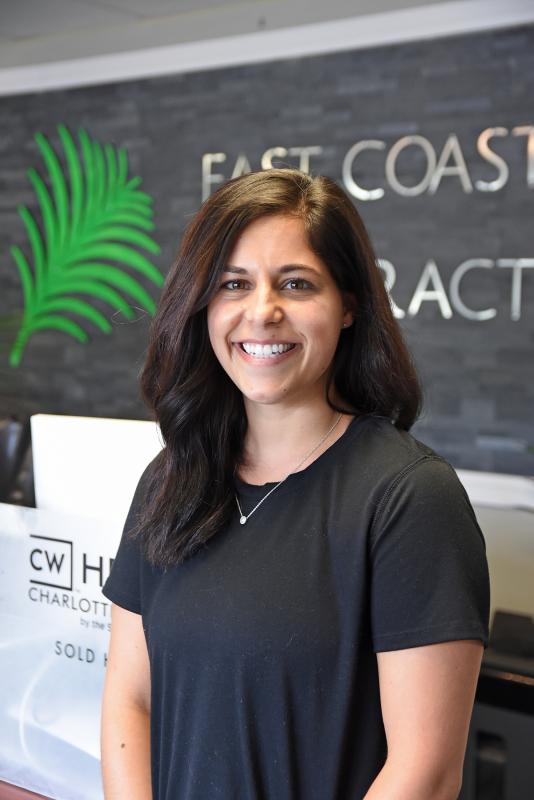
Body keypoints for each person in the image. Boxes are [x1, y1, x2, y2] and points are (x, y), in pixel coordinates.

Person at [100, 167, 490, 800]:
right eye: (233, 284)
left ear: (348, 306)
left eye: (296, 283)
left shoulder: (410, 497)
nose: (262, 312)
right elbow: (129, 699)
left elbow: (425, 771)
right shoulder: (170, 479)